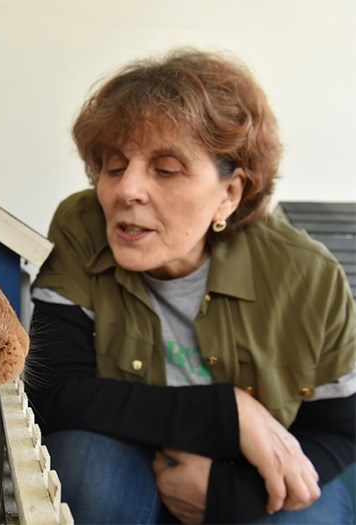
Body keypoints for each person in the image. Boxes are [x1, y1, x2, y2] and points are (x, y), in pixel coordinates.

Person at [26, 48, 355, 524]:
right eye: (114, 166)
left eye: (165, 169)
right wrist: (230, 414)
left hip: (249, 479)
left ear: (229, 194)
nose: (126, 190)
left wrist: (226, 494)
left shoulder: (308, 275)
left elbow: (340, 433)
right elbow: (53, 392)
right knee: (84, 466)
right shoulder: (82, 225)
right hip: (132, 462)